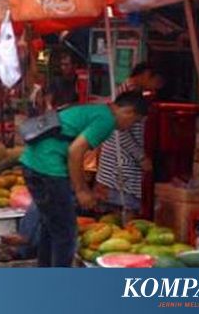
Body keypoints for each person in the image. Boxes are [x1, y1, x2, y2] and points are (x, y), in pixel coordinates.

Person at [19, 92, 149, 267]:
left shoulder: (96, 110)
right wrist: (81, 190)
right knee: (65, 232)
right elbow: (76, 150)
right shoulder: (107, 120)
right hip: (48, 167)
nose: (128, 127)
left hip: (32, 162)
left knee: (52, 227)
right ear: (129, 112)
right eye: (133, 122)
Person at [95, 63, 165, 213]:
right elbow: (121, 131)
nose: (157, 88)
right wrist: (141, 157)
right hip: (120, 167)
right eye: (157, 82)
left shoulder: (131, 91)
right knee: (124, 215)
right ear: (147, 74)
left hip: (114, 167)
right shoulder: (129, 93)